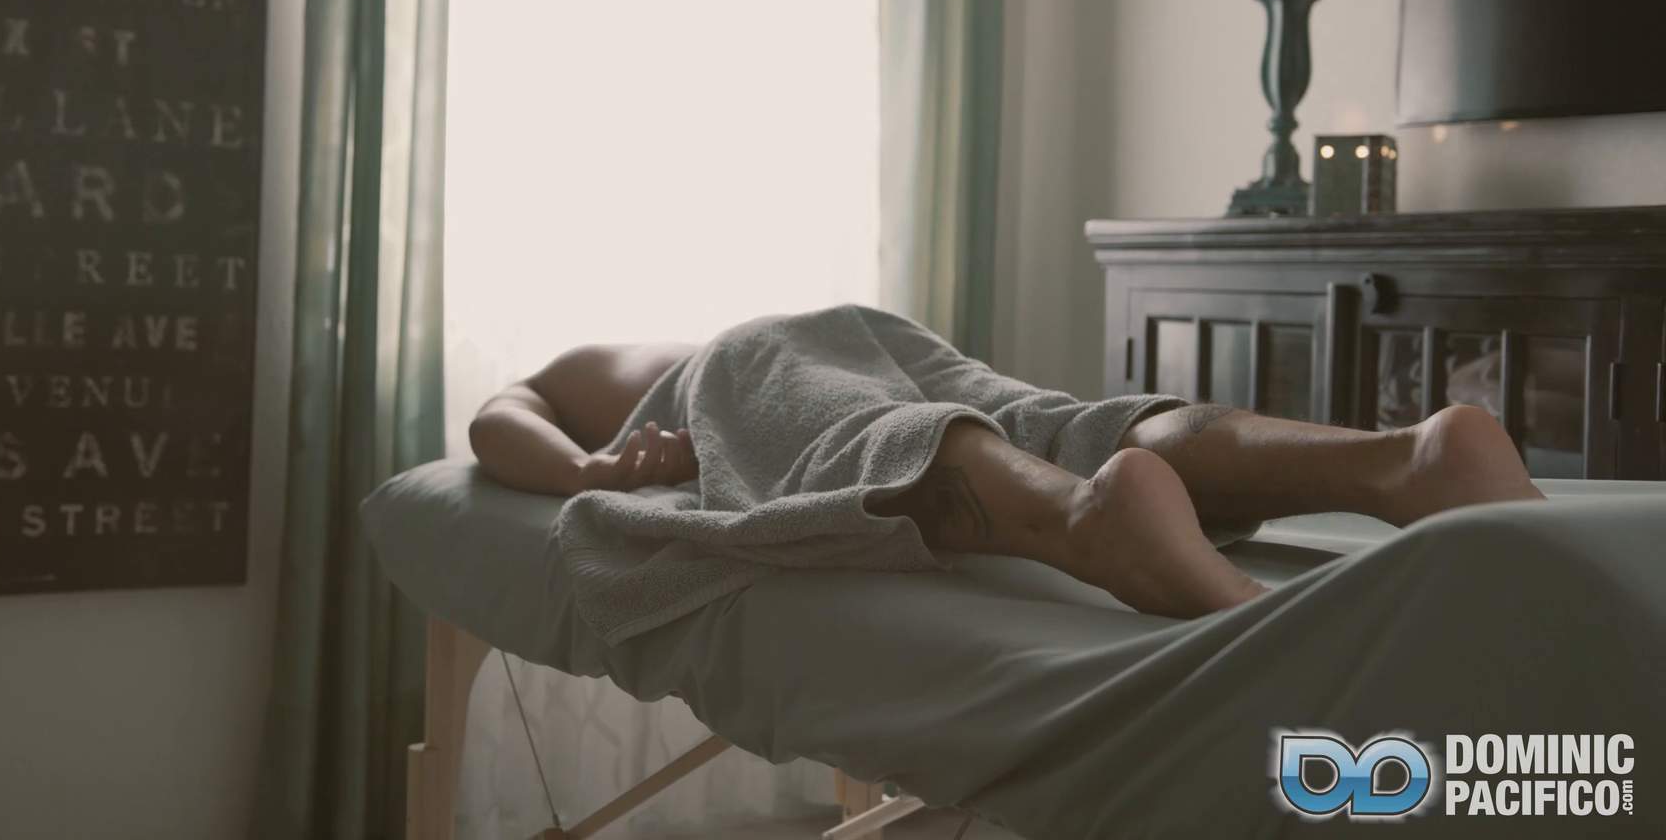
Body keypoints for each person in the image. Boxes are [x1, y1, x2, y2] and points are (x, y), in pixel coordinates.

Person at [466, 315, 1541, 619]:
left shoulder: (623, 364)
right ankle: (1400, 462)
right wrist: (597, 461)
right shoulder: (669, 353)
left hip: (754, 362)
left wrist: (585, 469)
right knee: (1054, 421)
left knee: (866, 441)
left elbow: (494, 417)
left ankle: (1085, 524)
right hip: (873, 329)